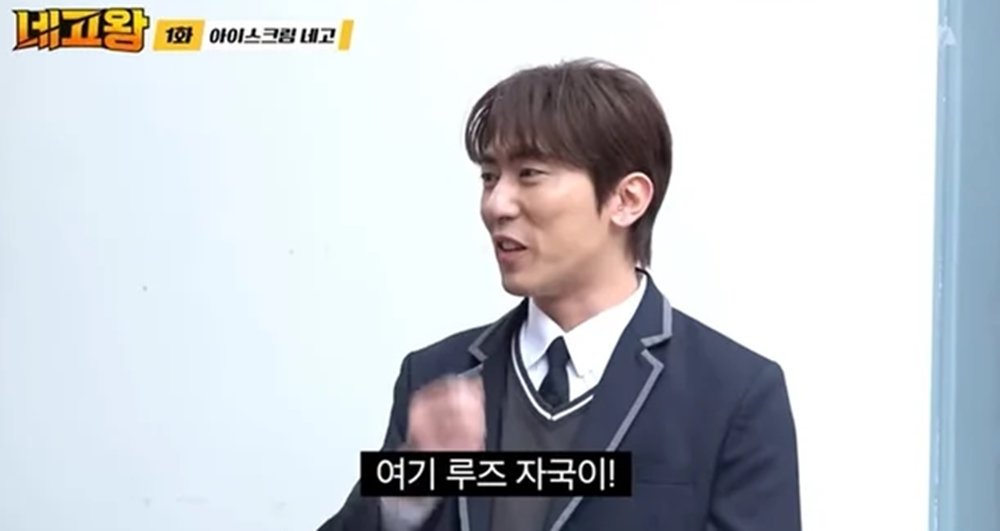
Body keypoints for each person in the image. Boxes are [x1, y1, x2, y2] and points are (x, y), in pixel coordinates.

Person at [318, 58, 800, 531]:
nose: (496, 204)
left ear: (627, 199)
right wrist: (408, 490)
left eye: (530, 173)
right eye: (489, 177)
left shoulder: (733, 394)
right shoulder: (436, 375)